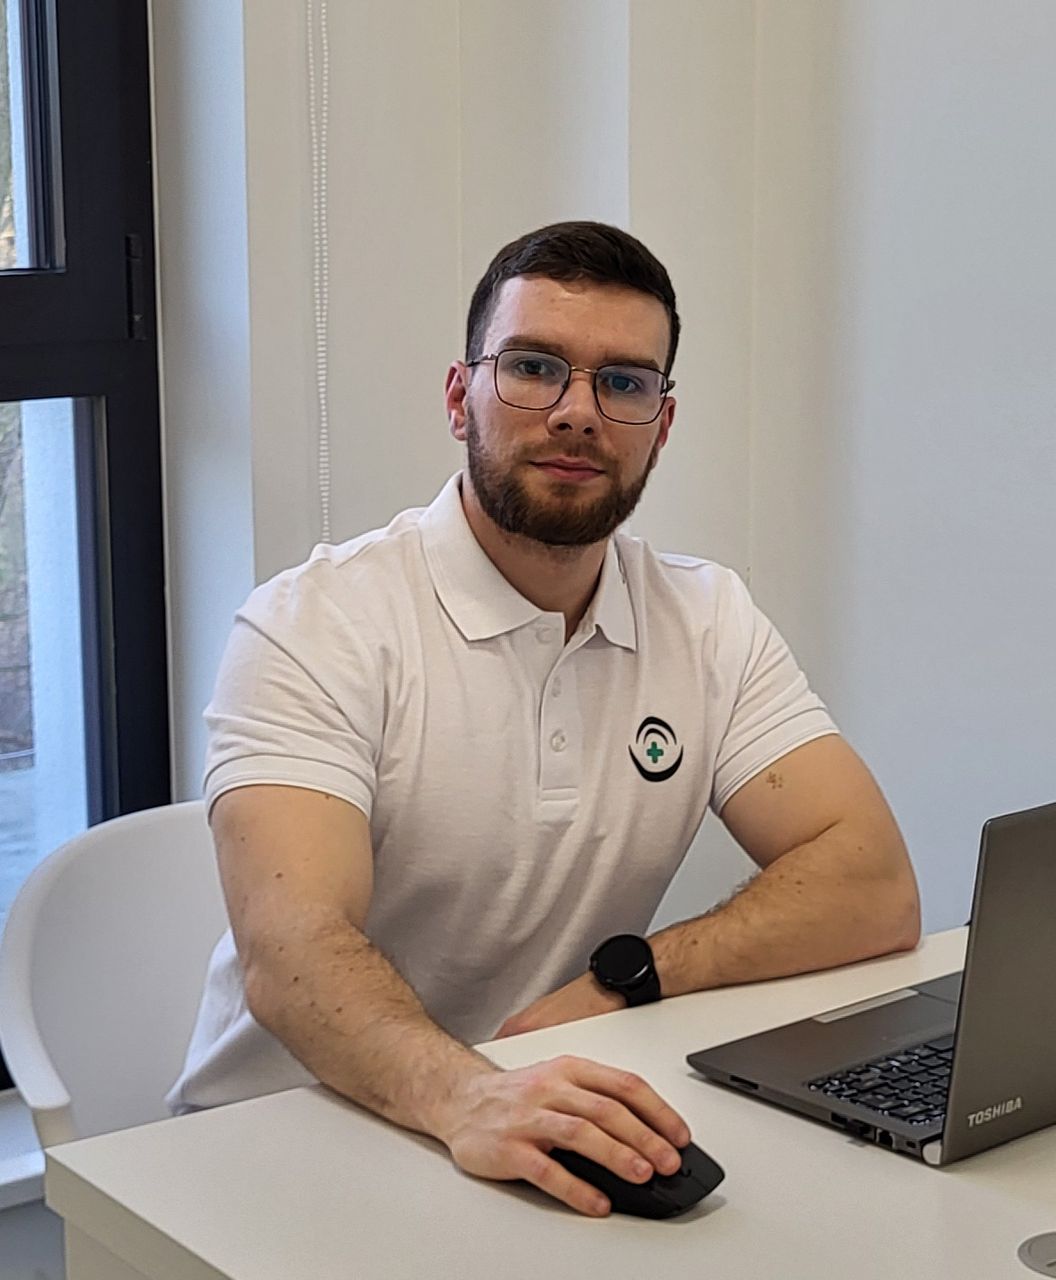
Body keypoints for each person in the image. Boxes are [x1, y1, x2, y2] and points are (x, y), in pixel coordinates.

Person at [167, 220, 921, 1217]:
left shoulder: (706, 618)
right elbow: (293, 949)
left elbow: (872, 883)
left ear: (661, 424)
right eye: (532, 368)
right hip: (278, 1151)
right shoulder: (314, 623)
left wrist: (627, 980)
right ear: (459, 398)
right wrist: (468, 1093)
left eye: (623, 383)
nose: (577, 413)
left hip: (539, 1130)